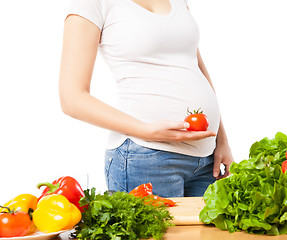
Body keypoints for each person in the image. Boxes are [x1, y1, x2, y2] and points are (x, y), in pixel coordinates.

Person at [59, 0, 234, 197]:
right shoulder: (93, 3)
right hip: (145, 155)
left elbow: (195, 68)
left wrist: (222, 140)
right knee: (158, 228)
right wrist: (146, 130)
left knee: (205, 229)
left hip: (206, 159)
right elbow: (72, 98)